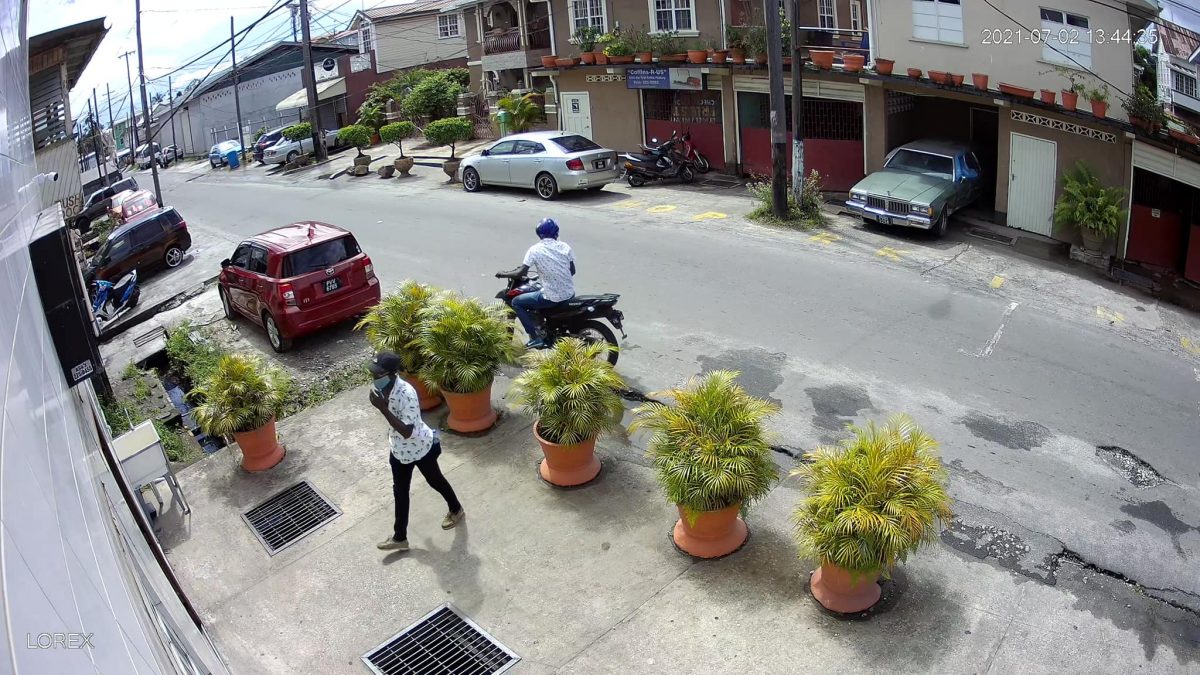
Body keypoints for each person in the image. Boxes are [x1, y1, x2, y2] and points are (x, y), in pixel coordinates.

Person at [368, 351, 464, 551]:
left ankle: (456, 509)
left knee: (435, 481)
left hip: (420, 447)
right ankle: (399, 538)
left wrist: (382, 409)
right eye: (373, 374)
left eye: (378, 375)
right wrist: (381, 404)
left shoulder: (407, 393)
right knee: (400, 492)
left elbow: (407, 432)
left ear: (392, 374)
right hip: (399, 451)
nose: (374, 378)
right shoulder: (380, 388)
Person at [512, 218, 575, 348]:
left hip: (552, 297)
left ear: (539, 234)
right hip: (569, 294)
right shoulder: (565, 246)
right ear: (556, 232)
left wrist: (504, 274)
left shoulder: (534, 250)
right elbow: (572, 271)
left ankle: (535, 337)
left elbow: (521, 273)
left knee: (516, 302)